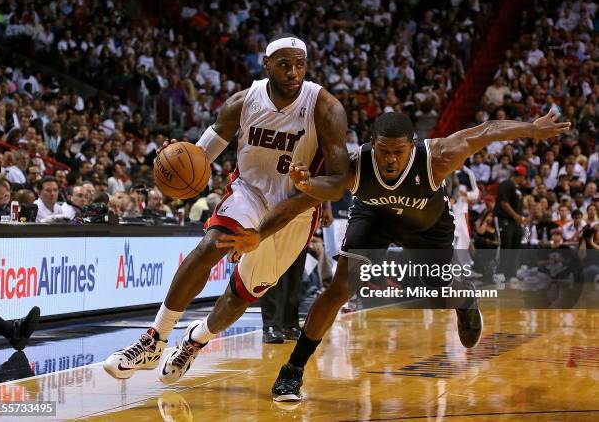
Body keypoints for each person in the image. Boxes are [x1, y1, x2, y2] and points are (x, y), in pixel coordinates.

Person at [218, 110, 570, 401]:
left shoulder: (439, 156)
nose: (389, 159)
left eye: (398, 152)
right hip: (374, 218)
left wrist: (531, 129)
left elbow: (486, 131)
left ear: (412, 146)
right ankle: (292, 371)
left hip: (427, 228)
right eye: (384, 151)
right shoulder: (359, 164)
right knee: (339, 289)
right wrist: (308, 186)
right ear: (373, 144)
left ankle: (465, 300)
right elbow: (327, 189)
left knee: (436, 297)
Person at [103, 33, 350, 384]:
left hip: (297, 206)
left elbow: (340, 181)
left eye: (300, 65)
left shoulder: (325, 108)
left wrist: (306, 188)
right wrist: (178, 159)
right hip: (248, 192)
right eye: (284, 65)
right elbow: (201, 157)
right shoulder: (243, 102)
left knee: (241, 294)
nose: (294, 72)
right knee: (210, 246)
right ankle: (155, 339)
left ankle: (195, 339)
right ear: (266, 66)